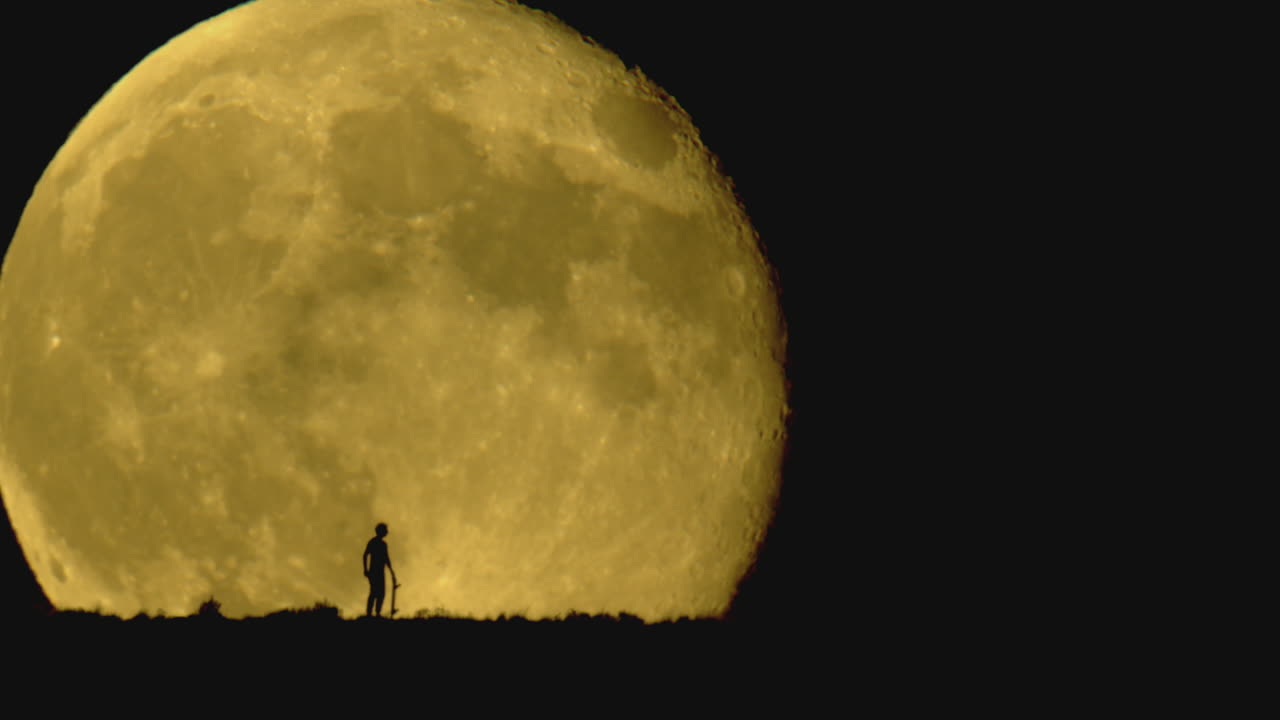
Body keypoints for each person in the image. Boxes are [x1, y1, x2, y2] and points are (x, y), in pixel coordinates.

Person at [363, 522, 396, 617]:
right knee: (374, 592)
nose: (387, 532)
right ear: (381, 531)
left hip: (381, 572)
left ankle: (377, 613)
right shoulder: (373, 542)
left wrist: (392, 572)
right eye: (385, 530)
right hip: (374, 571)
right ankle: (369, 613)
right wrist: (365, 569)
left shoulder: (384, 544)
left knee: (381, 593)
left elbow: (386, 558)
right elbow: (365, 555)